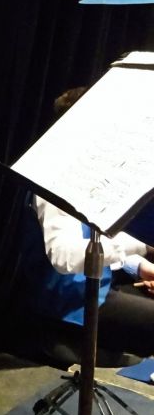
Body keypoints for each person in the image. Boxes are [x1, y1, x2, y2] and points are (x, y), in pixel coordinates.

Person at [22, 87, 154, 359]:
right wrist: (142, 246)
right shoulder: (53, 178)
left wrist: (141, 267)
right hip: (68, 306)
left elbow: (100, 237)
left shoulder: (93, 173)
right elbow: (65, 256)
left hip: (98, 290)